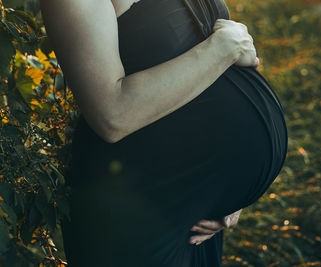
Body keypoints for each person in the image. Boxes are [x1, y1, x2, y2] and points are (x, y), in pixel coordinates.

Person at [39, 0, 288, 266]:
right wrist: (222, 49)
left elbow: (202, 50)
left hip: (194, 208)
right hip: (138, 204)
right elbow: (111, 114)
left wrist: (229, 189)